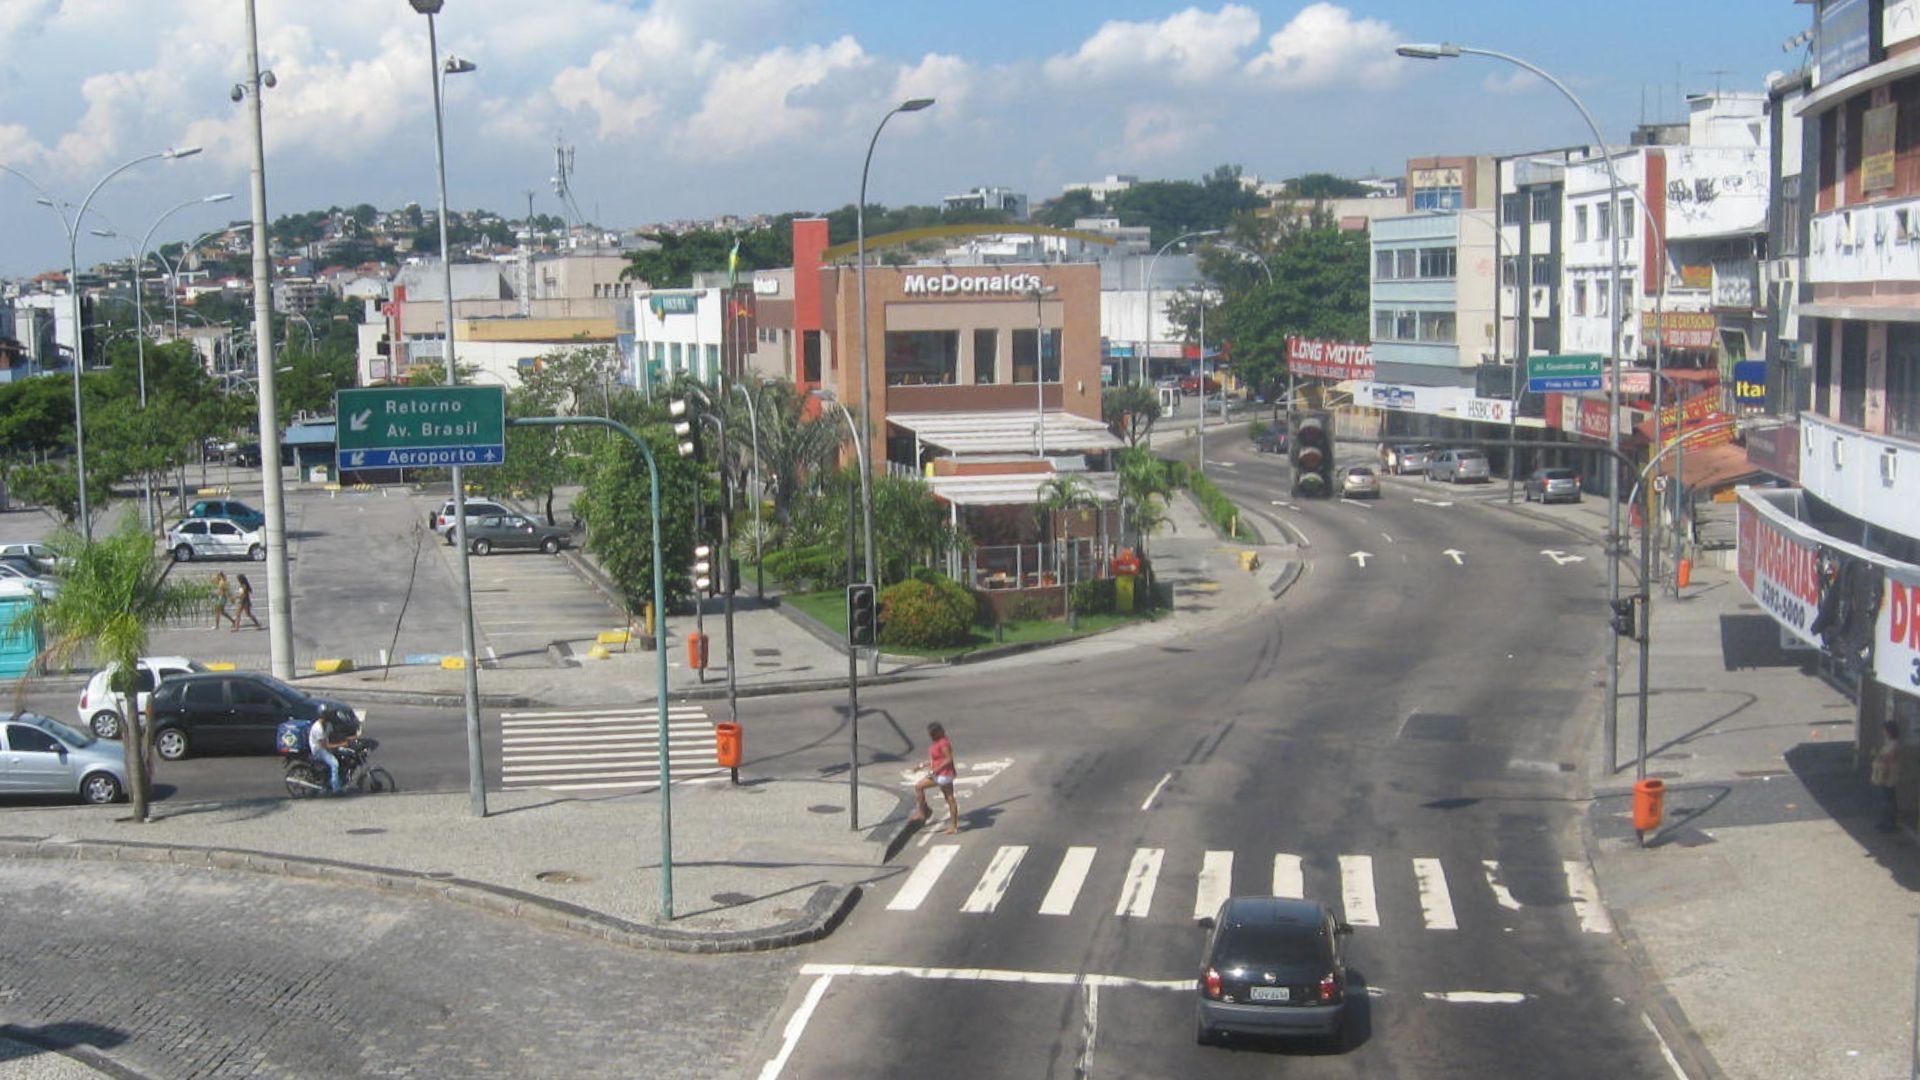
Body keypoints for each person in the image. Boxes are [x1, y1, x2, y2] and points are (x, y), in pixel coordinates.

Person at [910, 722, 961, 834]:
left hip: (944, 775)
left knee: (949, 799)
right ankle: (926, 811)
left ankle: (925, 813)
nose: (930, 735)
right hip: (940, 774)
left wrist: (935, 770)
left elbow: (948, 759)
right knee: (921, 788)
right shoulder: (938, 742)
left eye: (931, 733)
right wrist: (921, 766)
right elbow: (936, 759)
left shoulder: (943, 743)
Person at [308, 706, 349, 794]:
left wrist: (347, 739)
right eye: (327, 714)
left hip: (325, 748)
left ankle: (341, 778)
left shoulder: (328, 724)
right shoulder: (317, 728)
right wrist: (341, 744)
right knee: (334, 763)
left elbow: (333, 735)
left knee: (345, 753)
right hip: (318, 750)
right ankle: (336, 788)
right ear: (323, 715)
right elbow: (325, 746)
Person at [1874, 720, 1903, 832]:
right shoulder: (1889, 743)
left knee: (1888, 799)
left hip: (1890, 775)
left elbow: (1890, 757)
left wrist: (1880, 756)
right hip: (1884, 774)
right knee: (1886, 798)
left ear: (1889, 732)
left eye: (1885, 730)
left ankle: (1890, 822)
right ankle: (1886, 821)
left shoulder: (1895, 744)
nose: (1883, 732)